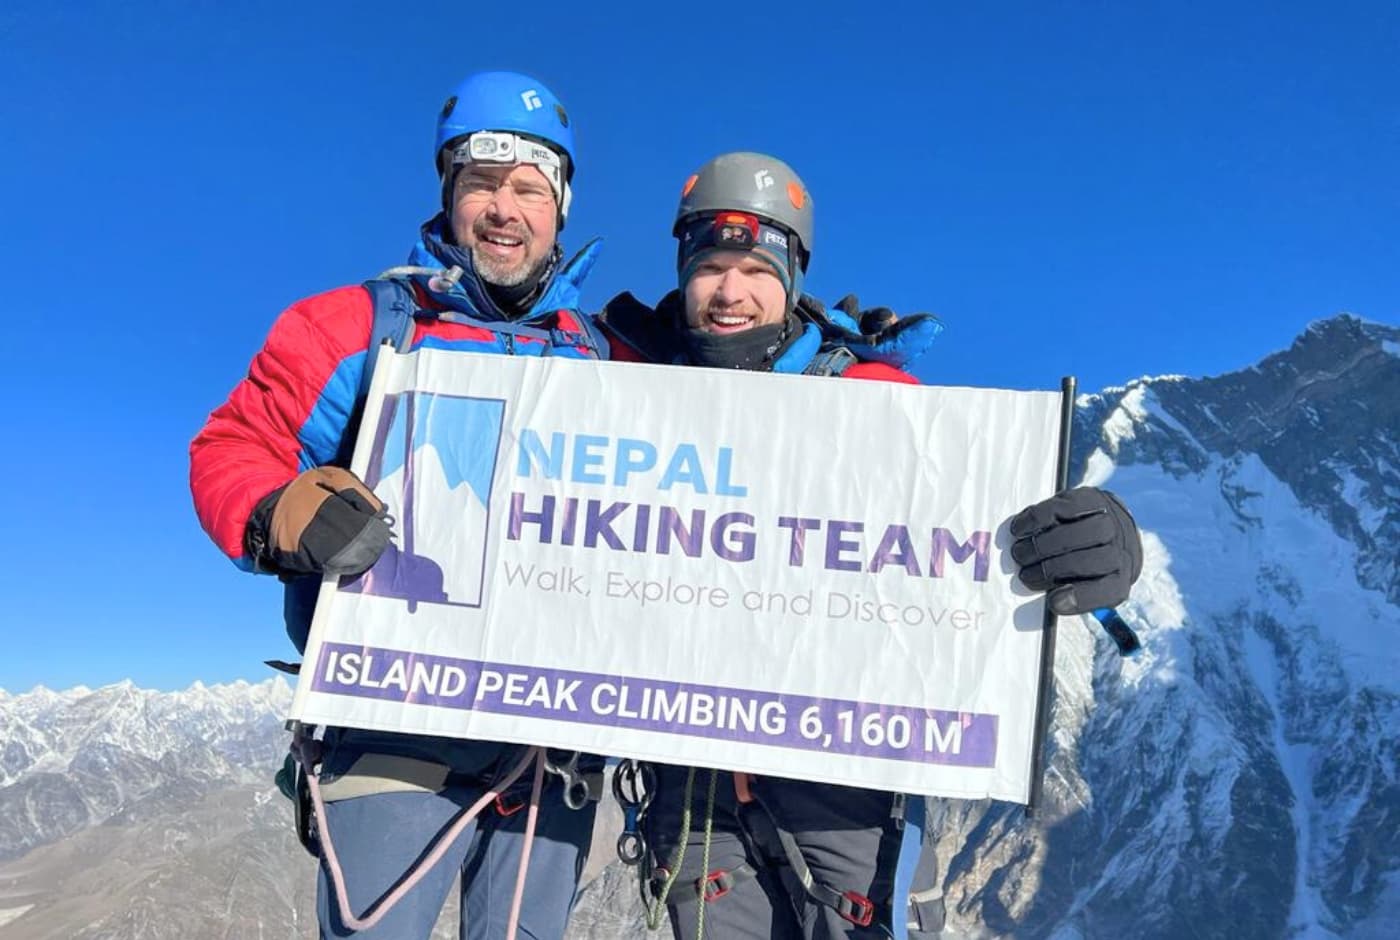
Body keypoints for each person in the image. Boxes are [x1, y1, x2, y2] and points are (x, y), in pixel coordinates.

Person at [597, 152, 1145, 939]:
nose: (729, 291)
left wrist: (1098, 541)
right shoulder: (616, 393)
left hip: (846, 780)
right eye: (710, 266)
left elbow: (977, 526)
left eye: (755, 269)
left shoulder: (876, 406)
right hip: (693, 788)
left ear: (793, 275)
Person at [189, 71, 608, 940]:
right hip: (394, 721)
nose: (504, 208)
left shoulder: (609, 358)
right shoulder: (357, 327)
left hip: (551, 738)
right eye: (480, 183)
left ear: (560, 207)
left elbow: (738, 420)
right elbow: (236, 445)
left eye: (530, 188)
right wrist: (281, 511)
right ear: (448, 195)